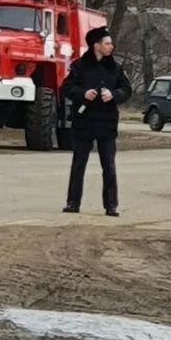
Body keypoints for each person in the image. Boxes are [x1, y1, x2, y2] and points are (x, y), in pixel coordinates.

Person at [62, 27, 132, 217]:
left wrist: (114, 95)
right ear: (96, 46)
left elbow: (127, 90)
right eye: (107, 43)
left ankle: (111, 205)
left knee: (109, 165)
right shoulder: (79, 66)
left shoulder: (115, 68)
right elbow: (66, 87)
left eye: (111, 43)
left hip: (107, 123)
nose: (111, 47)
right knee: (78, 164)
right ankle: (73, 202)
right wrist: (82, 93)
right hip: (84, 121)